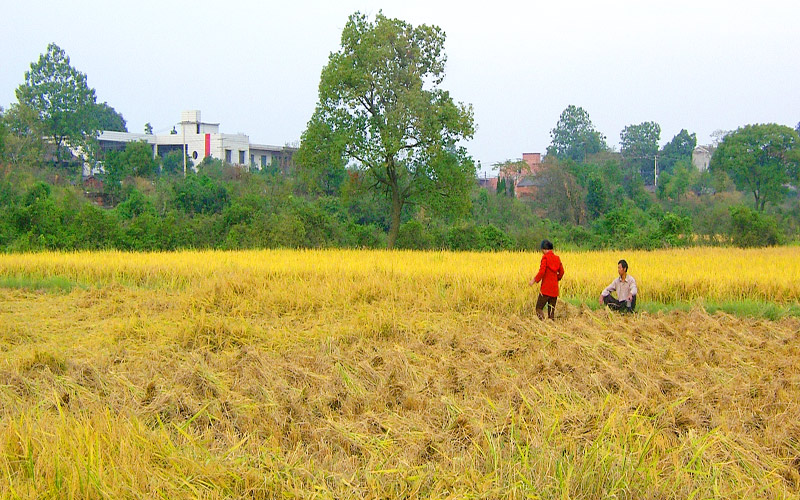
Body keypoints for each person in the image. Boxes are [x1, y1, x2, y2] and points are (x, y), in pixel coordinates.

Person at [529, 239, 565, 320]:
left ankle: (542, 324)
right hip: (554, 289)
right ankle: (551, 327)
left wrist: (533, 280)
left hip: (545, 289)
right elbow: (562, 272)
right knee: (551, 312)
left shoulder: (545, 258)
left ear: (544, 249)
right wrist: (556, 279)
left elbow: (541, 272)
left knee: (539, 308)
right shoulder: (557, 258)